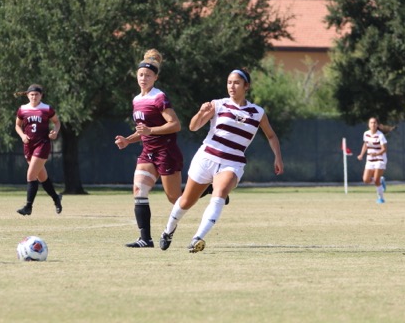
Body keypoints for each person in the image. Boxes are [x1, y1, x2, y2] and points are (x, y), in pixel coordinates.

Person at [159, 68, 284, 253]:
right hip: (206, 158)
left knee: (220, 193)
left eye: (236, 82)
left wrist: (278, 157)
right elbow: (193, 127)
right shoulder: (218, 105)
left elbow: (272, 136)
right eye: (229, 82)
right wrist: (201, 112)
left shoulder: (257, 112)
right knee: (186, 201)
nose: (231, 86)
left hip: (232, 163)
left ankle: (197, 238)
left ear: (246, 86)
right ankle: (168, 231)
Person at [114, 49, 183, 248]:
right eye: (141, 74)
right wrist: (128, 140)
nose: (144, 78)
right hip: (148, 152)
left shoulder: (159, 97)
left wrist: (150, 130)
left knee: (175, 198)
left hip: (166, 151)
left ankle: (207, 188)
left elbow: (175, 125)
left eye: (148, 75)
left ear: (155, 77)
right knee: (139, 190)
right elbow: (143, 131)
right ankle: (146, 238)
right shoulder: (136, 100)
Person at [14, 84, 63, 216]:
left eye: (36, 94)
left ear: (41, 95)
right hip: (28, 146)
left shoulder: (46, 109)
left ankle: (28, 207)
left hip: (42, 144)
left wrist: (55, 132)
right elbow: (17, 126)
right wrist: (22, 135)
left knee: (31, 175)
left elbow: (57, 122)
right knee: (42, 177)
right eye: (32, 94)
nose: (34, 96)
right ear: (27, 95)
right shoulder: (23, 109)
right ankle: (56, 198)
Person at [357, 117, 388, 204]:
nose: (373, 124)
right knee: (366, 180)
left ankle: (381, 198)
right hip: (370, 160)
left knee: (376, 179)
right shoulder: (366, 134)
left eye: (374, 123)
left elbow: (384, 149)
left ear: (377, 124)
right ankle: (381, 180)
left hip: (380, 159)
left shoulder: (380, 135)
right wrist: (361, 154)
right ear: (368, 124)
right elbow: (365, 144)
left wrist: (376, 154)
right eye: (371, 123)